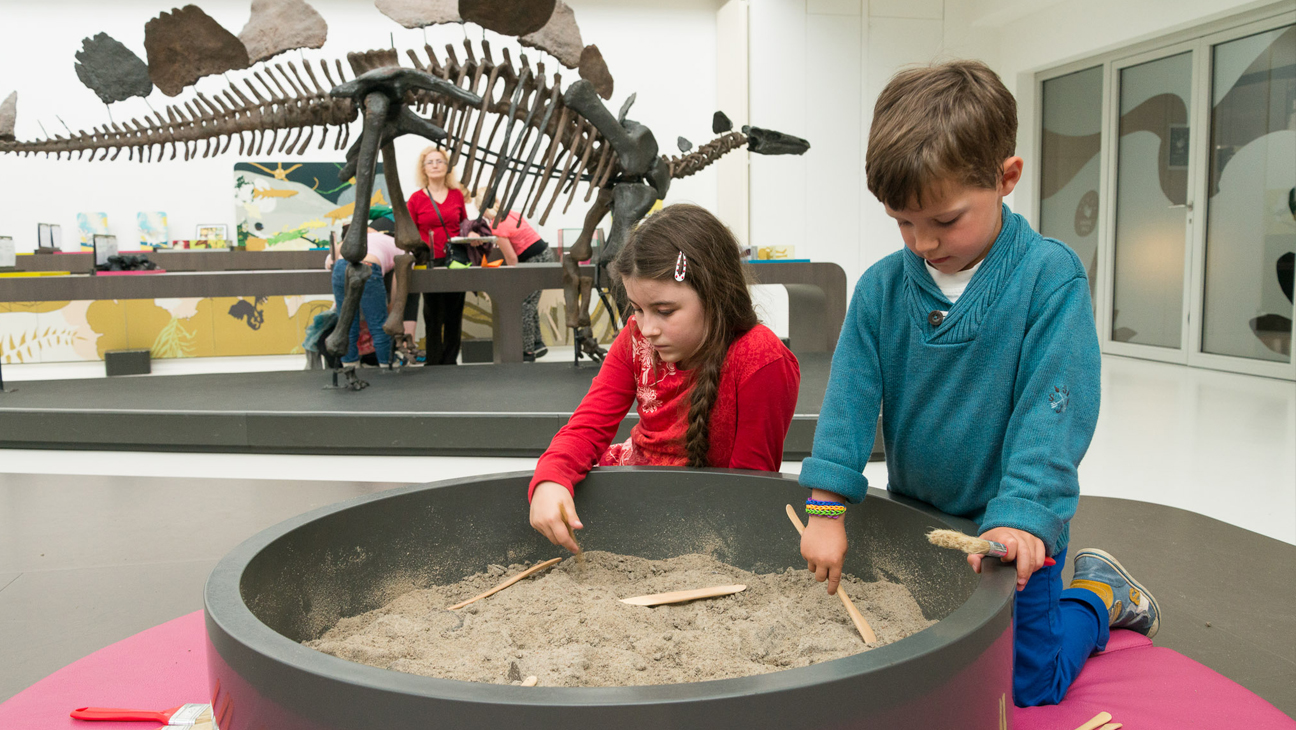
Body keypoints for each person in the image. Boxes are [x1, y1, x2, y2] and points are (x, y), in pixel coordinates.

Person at [797, 60, 1159, 707]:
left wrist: (1022, 516)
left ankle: (1101, 594)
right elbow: (849, 399)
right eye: (902, 221)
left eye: (944, 220)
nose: (922, 242)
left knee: (1030, 685)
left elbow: (1054, 407)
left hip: (1013, 525)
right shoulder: (882, 285)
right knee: (933, 668)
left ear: (1006, 177)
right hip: (922, 516)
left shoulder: (1050, 278)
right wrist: (826, 508)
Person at [529, 204, 801, 552]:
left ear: (714, 294)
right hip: (635, 484)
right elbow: (588, 425)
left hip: (709, 518)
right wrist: (552, 477)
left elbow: (749, 488)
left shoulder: (759, 359)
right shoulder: (635, 338)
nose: (648, 328)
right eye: (637, 309)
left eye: (665, 311)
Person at [472, 188, 555, 361]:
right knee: (530, 301)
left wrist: (512, 279)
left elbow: (511, 257)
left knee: (524, 304)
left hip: (535, 260)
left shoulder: (496, 225)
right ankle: (537, 344)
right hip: (545, 254)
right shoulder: (512, 214)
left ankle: (527, 350)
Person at [407, 146, 468, 365]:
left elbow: (463, 226)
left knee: (454, 312)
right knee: (432, 314)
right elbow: (409, 233)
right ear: (423, 169)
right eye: (430, 162)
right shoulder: (415, 199)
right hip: (428, 261)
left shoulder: (456, 195)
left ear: (447, 167)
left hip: (456, 261)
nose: (435, 165)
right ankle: (433, 361)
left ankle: (451, 361)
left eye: (439, 161)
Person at [324, 214, 402, 369]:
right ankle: (386, 367)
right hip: (369, 266)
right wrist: (393, 306)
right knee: (379, 325)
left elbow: (328, 263)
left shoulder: (357, 238)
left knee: (346, 323)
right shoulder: (400, 246)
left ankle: (350, 367)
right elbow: (398, 282)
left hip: (341, 267)